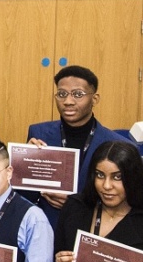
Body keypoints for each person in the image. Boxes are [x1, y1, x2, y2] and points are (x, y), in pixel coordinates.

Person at [25, 65, 129, 227]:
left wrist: (78, 201)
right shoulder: (39, 133)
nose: (68, 101)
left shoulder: (118, 144)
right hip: (47, 225)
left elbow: (126, 200)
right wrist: (24, 161)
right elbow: (26, 194)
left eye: (78, 94)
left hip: (94, 226)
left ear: (95, 99)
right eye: (61, 94)